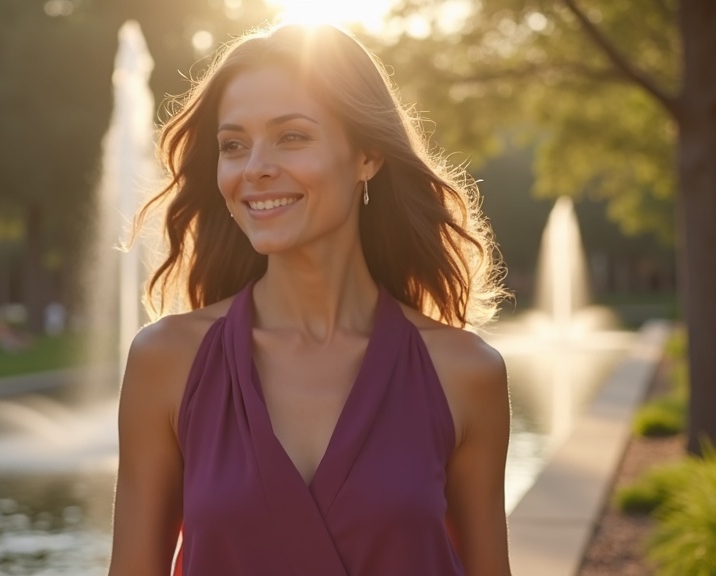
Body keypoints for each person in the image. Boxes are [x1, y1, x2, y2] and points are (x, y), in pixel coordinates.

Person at [108, 23, 511, 576]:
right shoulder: (168, 362)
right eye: (233, 146)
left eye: (291, 136)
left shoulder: (464, 373)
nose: (255, 168)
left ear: (367, 155)